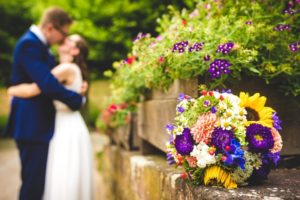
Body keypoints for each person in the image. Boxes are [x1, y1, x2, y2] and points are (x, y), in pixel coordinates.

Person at [3, 7, 86, 200]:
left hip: (40, 125)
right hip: (32, 126)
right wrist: (77, 100)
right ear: (50, 27)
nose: (63, 39)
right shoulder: (29, 45)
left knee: (39, 184)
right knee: (33, 185)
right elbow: (47, 83)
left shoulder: (39, 46)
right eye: (63, 33)